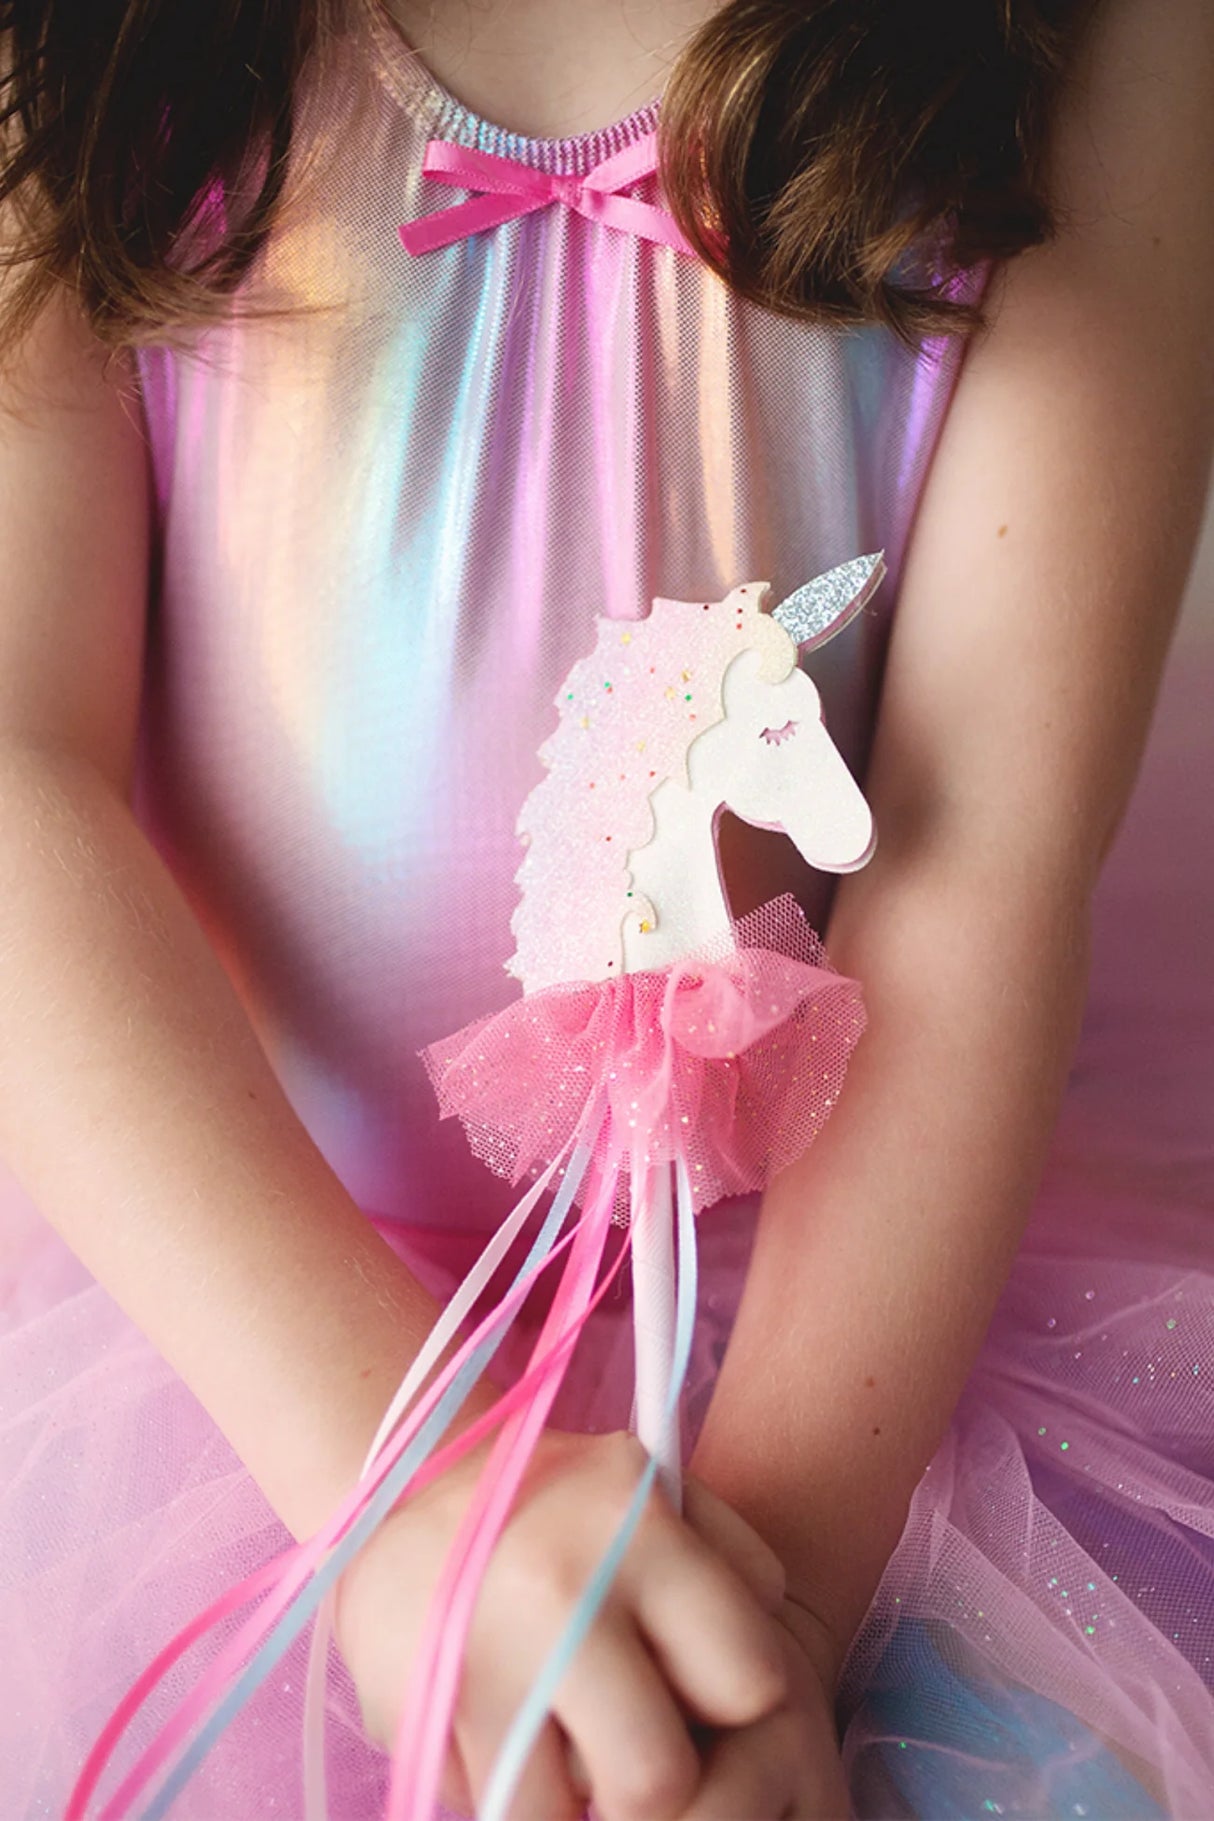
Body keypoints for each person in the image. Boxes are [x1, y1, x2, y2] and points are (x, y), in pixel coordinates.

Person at [0, 0, 1211, 1814]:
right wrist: (415, 1494)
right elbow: (16, 768)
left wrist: (761, 1619)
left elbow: (971, 851)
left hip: (841, 1298)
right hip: (262, 1296)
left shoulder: (1094, 34)